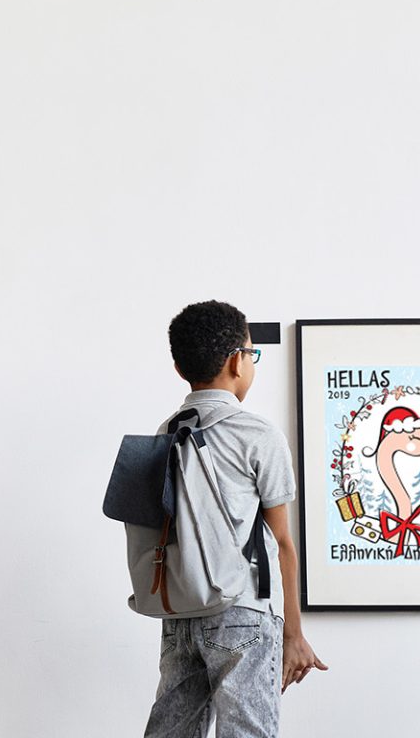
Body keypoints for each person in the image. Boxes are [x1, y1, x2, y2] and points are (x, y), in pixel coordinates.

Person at [145, 301, 327, 738]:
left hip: (181, 613)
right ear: (236, 361)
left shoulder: (165, 432)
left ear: (178, 366)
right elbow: (282, 542)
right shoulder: (258, 435)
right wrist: (294, 634)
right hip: (242, 611)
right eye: (252, 353)